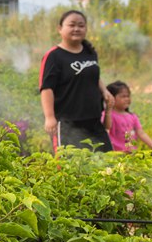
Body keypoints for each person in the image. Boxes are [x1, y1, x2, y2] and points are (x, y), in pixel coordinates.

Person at [39, 10, 114, 152]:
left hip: (94, 121)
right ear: (60, 29)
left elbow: (93, 75)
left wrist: (104, 90)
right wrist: (49, 117)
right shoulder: (54, 56)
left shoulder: (89, 52)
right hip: (67, 124)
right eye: (71, 25)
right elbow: (46, 88)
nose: (76, 29)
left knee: (107, 165)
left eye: (81, 25)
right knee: (71, 169)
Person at [102, 81, 152, 153]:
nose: (127, 99)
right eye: (123, 96)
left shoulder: (132, 116)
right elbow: (105, 130)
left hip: (131, 154)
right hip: (115, 155)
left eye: (128, 96)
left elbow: (141, 133)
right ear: (111, 98)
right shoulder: (107, 115)